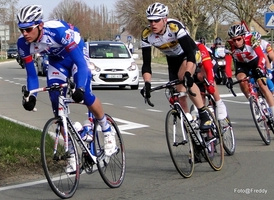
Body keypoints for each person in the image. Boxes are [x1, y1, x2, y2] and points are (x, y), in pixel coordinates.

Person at [17, 5, 117, 173]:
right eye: (21, 30)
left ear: (40, 25)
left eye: (28, 29)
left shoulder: (58, 31)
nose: (24, 34)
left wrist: (79, 87)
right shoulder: (23, 44)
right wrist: (31, 96)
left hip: (76, 56)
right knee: (57, 106)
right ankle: (71, 155)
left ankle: (107, 130)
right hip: (57, 62)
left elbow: (81, 64)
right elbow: (32, 75)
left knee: (85, 95)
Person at [140, 2, 212, 130]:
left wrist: (189, 74)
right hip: (172, 59)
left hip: (189, 53)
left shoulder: (174, 27)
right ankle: (191, 122)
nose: (153, 24)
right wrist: (147, 83)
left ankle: (203, 113)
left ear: (165, 19)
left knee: (183, 78)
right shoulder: (147, 35)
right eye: (150, 21)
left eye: (156, 20)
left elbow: (190, 53)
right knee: (178, 94)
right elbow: (146, 64)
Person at [225, 24, 274, 115]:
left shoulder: (251, 39)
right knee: (241, 79)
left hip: (255, 61)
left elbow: (261, 56)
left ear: (243, 36)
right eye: (233, 40)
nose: (236, 42)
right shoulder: (229, 45)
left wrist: (259, 67)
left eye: (238, 39)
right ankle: (253, 102)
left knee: (262, 85)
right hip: (241, 64)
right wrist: (228, 78)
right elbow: (228, 64)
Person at [194, 41, 228, 120]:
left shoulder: (198, 47)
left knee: (203, 76)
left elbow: (208, 69)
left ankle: (219, 102)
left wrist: (211, 83)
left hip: (208, 61)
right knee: (199, 90)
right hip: (194, 66)